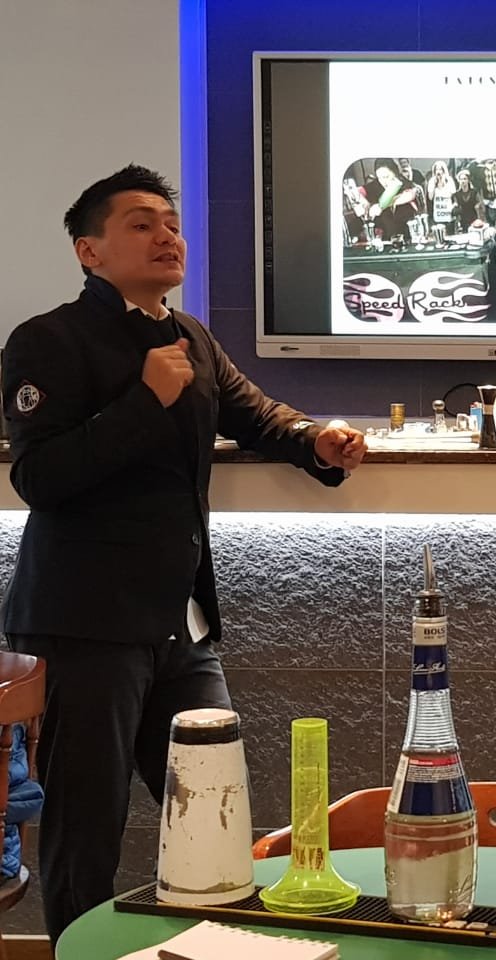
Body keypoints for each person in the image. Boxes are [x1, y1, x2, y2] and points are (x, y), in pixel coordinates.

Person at [0, 164, 368, 945]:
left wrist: (317, 440)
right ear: (89, 251)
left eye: (171, 224)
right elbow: (39, 477)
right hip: (83, 624)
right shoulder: (47, 340)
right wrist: (144, 401)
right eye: (141, 224)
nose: (167, 236)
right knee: (86, 827)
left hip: (182, 623)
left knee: (214, 809)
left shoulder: (190, 336)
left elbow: (256, 415)